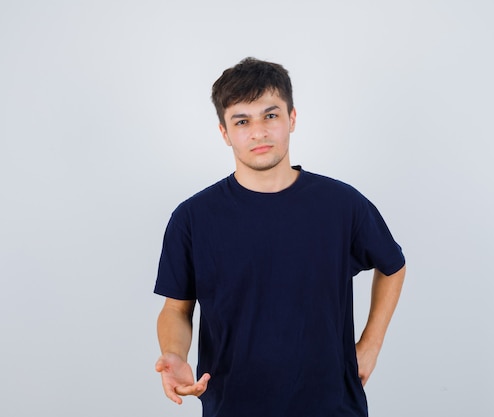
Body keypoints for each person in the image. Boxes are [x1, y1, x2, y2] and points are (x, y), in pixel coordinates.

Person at [154, 57, 406, 417]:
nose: (258, 132)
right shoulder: (192, 219)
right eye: (242, 121)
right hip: (233, 406)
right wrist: (175, 354)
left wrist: (370, 345)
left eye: (270, 115)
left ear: (292, 119)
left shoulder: (341, 204)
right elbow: (176, 309)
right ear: (225, 133)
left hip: (332, 406)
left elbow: (393, 266)